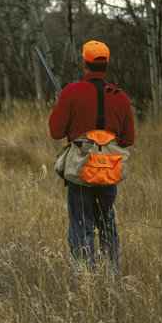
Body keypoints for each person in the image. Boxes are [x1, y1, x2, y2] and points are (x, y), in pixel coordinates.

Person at [48, 40, 135, 269]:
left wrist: (64, 107)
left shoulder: (71, 92)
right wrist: (105, 141)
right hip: (109, 170)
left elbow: (56, 132)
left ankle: (84, 276)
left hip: (79, 170)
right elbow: (128, 140)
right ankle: (111, 273)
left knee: (80, 223)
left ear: (85, 63)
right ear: (106, 65)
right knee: (108, 223)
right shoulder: (121, 96)